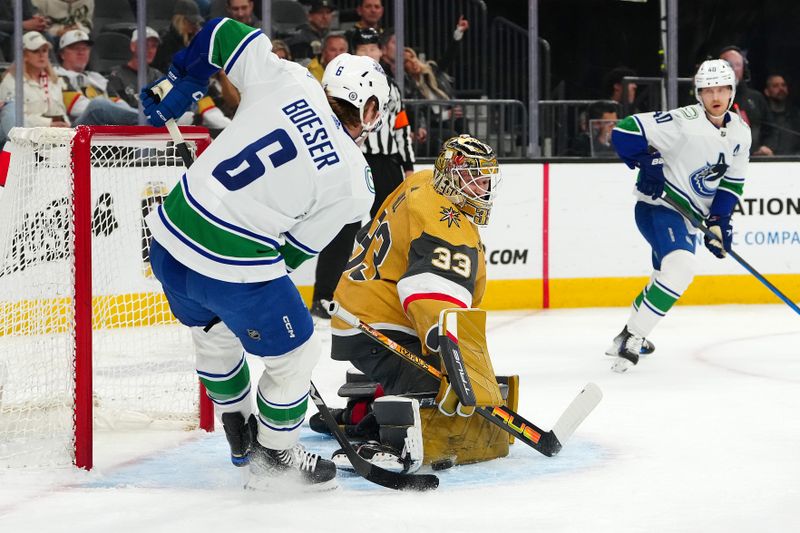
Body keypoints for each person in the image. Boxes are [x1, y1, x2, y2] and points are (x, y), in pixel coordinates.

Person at [139, 16, 389, 488]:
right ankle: (273, 455)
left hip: (168, 238)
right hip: (232, 266)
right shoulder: (355, 181)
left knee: (213, 332)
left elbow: (222, 31)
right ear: (369, 109)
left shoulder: (289, 78)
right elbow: (294, 253)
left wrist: (182, 78)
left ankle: (237, 429)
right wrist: (260, 299)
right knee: (296, 354)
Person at [310, 135, 513, 471]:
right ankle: (385, 440)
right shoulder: (445, 224)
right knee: (436, 389)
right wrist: (456, 367)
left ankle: (361, 412)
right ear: (453, 175)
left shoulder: (420, 182)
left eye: (487, 181)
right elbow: (434, 307)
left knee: (430, 377)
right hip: (376, 326)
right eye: (476, 180)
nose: (484, 190)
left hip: (360, 308)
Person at [606, 59, 750, 373]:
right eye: (708, 89)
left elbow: (730, 183)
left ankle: (632, 333)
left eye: (723, 88)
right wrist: (649, 162)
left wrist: (719, 222)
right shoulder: (684, 120)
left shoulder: (741, 132)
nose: (716, 95)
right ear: (698, 93)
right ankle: (632, 336)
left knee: (665, 276)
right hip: (659, 208)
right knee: (682, 265)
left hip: (688, 216)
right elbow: (623, 131)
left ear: (732, 90)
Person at [309, 27, 414, 319]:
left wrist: (408, 166)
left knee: (391, 231)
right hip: (353, 158)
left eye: (373, 49)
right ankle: (324, 296)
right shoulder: (343, 86)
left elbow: (401, 129)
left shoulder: (392, 87)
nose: (369, 53)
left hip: (385, 163)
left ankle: (392, 294)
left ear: (381, 51)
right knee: (343, 227)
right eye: (363, 49)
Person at [55, 29, 139, 126]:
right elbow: (77, 107)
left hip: (106, 124)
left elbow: (120, 104)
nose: (81, 52)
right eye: (75, 48)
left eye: (85, 48)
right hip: (77, 128)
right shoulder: (56, 75)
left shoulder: (98, 78)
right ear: (62, 54)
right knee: (97, 104)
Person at [0, 31, 69, 131]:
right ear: (24, 55)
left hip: (55, 135)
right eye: (35, 51)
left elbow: (61, 112)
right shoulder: (11, 81)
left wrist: (65, 124)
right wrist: (48, 124)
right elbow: (14, 120)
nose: (41, 55)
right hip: (23, 138)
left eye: (44, 50)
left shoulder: (54, 80)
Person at [719, 45, 775, 155]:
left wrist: (767, 146)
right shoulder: (707, 98)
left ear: (744, 68)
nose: (733, 69)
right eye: (728, 65)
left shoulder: (756, 98)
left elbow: (771, 130)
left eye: (738, 65)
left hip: (754, 162)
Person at [106, 27, 163, 110]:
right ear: (133, 46)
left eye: (154, 46)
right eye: (146, 45)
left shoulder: (158, 76)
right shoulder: (115, 75)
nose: (150, 50)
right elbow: (119, 110)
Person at [152, 0, 205, 74]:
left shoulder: (192, 37)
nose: (194, 25)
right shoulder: (165, 39)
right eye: (191, 22)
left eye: (195, 22)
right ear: (180, 21)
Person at [762, 74, 800, 155]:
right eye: (775, 86)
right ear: (767, 92)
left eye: (783, 85)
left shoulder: (796, 116)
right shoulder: (763, 118)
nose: (781, 88)